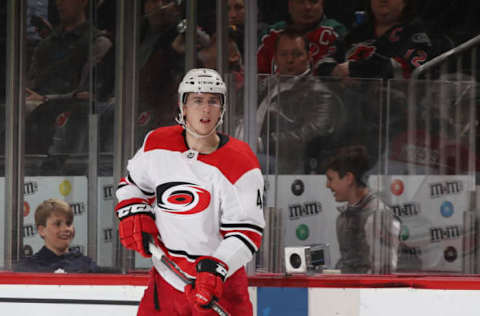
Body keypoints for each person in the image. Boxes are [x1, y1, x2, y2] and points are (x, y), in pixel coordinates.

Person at [115, 68, 265, 315]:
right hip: (165, 280)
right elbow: (132, 185)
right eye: (197, 100)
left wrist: (217, 267)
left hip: (218, 287)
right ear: (183, 107)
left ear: (222, 108)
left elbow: (247, 233)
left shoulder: (241, 162)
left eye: (213, 101)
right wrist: (133, 211)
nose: (205, 109)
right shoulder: (157, 143)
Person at [24, 0, 112, 161]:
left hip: (72, 119)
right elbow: (31, 84)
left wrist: (45, 99)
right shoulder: (45, 45)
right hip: (37, 116)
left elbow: (87, 94)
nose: (60, 3)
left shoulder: (98, 42)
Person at [250, 29, 344, 174]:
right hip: (252, 148)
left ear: (308, 57)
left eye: (297, 54)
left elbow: (312, 132)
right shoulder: (266, 84)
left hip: (288, 160)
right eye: (284, 54)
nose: (290, 60)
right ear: (275, 58)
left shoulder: (319, 92)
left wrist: (264, 143)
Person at [325, 145, 400, 273]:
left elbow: (383, 271)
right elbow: (348, 263)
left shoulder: (378, 214)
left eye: (331, 179)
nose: (327, 185)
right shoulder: (343, 217)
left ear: (348, 178)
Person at [332, 0, 432, 80]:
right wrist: (338, 75)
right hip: (348, 101)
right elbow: (326, 61)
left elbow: (404, 68)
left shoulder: (416, 33)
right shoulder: (358, 32)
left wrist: (353, 70)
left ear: (405, 2)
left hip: (398, 102)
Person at [257, 0, 347, 76]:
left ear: (322, 3)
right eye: (300, 1)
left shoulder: (336, 33)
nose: (307, 7)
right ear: (290, 4)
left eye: (313, 1)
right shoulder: (270, 35)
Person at [14, 198, 99, 273]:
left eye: (68, 223)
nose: (66, 229)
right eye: (58, 224)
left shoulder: (87, 266)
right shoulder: (27, 269)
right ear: (42, 230)